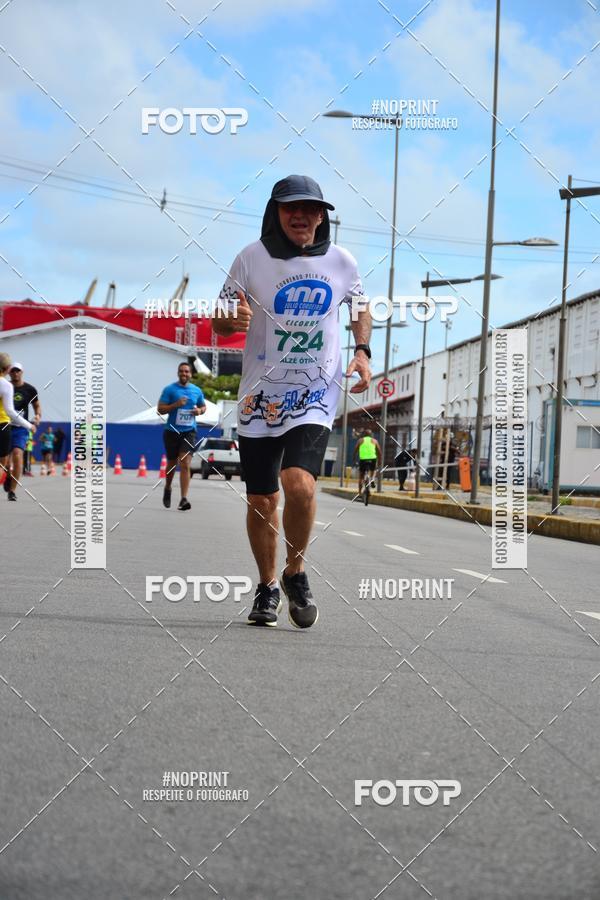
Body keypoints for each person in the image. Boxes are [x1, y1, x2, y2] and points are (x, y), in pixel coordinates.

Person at [212, 174, 371, 629]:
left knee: (299, 484)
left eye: (310, 209)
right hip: (260, 396)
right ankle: (266, 586)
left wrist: (362, 352)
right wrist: (230, 319)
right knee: (262, 498)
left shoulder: (342, 261)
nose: (300, 216)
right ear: (276, 213)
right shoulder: (250, 258)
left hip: (316, 393)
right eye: (290, 208)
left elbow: (361, 308)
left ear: (322, 216)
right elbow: (220, 320)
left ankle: (295, 572)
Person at [157, 362, 206, 511]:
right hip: (172, 431)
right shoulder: (170, 390)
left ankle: (184, 499)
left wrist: (199, 411)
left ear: (190, 374)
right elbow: (160, 409)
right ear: (178, 373)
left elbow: (203, 406)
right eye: (181, 371)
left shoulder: (196, 390)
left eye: (186, 371)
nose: (184, 374)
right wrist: (175, 405)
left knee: (185, 463)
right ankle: (168, 487)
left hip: (189, 431)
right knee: (172, 463)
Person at [0, 353, 36, 500]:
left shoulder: (30, 389)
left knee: (17, 454)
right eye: (13, 370)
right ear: (8, 370)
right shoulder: (6, 385)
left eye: (17, 370)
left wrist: (38, 416)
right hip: (6, 425)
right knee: (4, 463)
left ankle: (12, 491)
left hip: (18, 428)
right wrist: (30, 425)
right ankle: (7, 475)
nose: (15, 373)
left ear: (21, 372)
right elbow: (10, 411)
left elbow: (37, 406)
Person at [354, 428, 381, 495]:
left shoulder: (360, 440)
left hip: (363, 459)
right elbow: (379, 452)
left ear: (364, 435)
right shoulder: (374, 441)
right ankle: (372, 479)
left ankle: (359, 493)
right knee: (374, 470)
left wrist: (354, 459)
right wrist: (380, 461)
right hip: (372, 459)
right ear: (371, 435)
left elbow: (355, 451)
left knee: (361, 476)